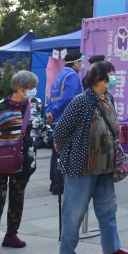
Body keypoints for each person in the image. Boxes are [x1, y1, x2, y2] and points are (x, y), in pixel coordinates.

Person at [54, 59, 128, 254]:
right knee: (74, 212)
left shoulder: (108, 98)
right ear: (99, 78)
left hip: (106, 165)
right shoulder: (80, 101)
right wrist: (69, 154)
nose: (114, 78)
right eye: (111, 74)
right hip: (82, 167)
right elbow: (60, 133)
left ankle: (111, 249)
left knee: (108, 209)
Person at [0, 71, 40, 254]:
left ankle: (11, 235)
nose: (34, 90)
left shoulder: (35, 104)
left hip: (25, 160)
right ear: (19, 89)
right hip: (1, 161)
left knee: (17, 199)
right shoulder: (0, 107)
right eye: (31, 87)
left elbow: (41, 127)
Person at [46, 50, 85, 194]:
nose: (82, 65)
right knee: (64, 153)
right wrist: (55, 112)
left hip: (56, 119)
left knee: (56, 152)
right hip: (66, 119)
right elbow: (68, 98)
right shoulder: (72, 76)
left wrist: (50, 113)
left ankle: (54, 183)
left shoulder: (60, 76)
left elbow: (52, 97)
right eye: (81, 61)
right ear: (75, 63)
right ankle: (60, 185)